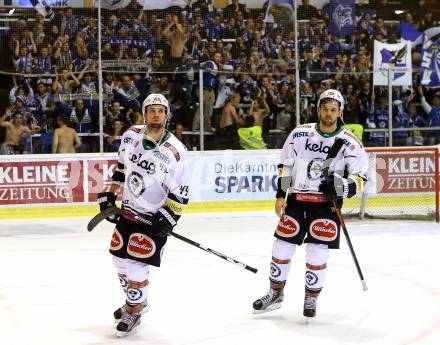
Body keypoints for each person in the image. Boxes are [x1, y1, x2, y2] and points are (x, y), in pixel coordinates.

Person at [252, 89, 368, 318]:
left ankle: (311, 298)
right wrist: (280, 195)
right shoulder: (299, 134)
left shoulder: (350, 142)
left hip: (326, 204)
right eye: (325, 108)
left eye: (333, 109)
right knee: (281, 247)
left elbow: (360, 177)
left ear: (340, 112)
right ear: (318, 109)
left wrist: (341, 187)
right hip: (296, 199)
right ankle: (275, 292)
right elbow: (286, 166)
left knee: (317, 252)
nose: (328, 113)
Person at [96, 94, 190, 337]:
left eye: (160, 110)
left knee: (137, 264)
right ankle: (134, 300)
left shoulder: (176, 151)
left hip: (153, 217)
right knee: (118, 258)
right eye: (151, 110)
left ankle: (135, 308)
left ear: (167, 115)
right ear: (144, 114)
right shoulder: (131, 136)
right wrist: (110, 193)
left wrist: (167, 220)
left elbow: (181, 193)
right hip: (128, 211)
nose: (156, 114)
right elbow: (121, 169)